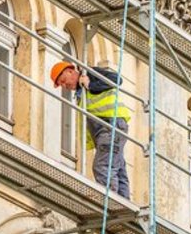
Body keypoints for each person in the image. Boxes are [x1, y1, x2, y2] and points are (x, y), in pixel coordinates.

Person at [50, 59, 131, 199]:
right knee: (117, 167)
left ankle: (110, 202)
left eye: (63, 81)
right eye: (61, 84)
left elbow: (116, 79)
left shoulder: (89, 73)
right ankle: (124, 202)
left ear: (70, 71)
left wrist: (90, 84)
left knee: (101, 167)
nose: (64, 86)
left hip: (110, 126)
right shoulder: (81, 92)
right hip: (108, 129)